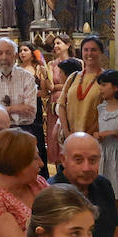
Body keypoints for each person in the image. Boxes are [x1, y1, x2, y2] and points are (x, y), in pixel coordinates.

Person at [0, 38, 38, 141]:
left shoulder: (27, 77)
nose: (4, 57)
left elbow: (31, 110)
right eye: (0, 53)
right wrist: (17, 108)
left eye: (8, 53)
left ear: (15, 56)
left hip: (23, 131)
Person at [58, 35, 104, 141]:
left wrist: (85, 135)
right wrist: (66, 132)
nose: (89, 54)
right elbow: (61, 105)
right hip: (69, 137)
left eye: (93, 50)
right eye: (86, 50)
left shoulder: (105, 79)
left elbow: (106, 112)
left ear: (101, 52)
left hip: (92, 138)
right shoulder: (73, 77)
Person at [95, 69, 118, 200]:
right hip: (102, 154)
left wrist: (116, 134)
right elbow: (95, 129)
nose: (100, 88)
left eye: (104, 85)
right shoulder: (101, 108)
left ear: (116, 87)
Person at [16, 42, 52, 160]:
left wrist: (29, 94)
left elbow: (44, 92)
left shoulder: (38, 69)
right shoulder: (16, 69)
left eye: (25, 50)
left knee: (36, 136)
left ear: (32, 52)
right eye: (21, 51)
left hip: (34, 106)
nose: (22, 53)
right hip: (19, 107)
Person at [44, 33, 74, 168]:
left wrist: (60, 86)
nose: (55, 46)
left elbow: (76, 82)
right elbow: (50, 86)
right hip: (54, 102)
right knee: (54, 137)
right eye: (54, 44)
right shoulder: (51, 64)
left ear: (68, 45)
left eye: (58, 43)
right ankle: (58, 168)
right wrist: (62, 85)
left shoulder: (77, 63)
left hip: (70, 100)